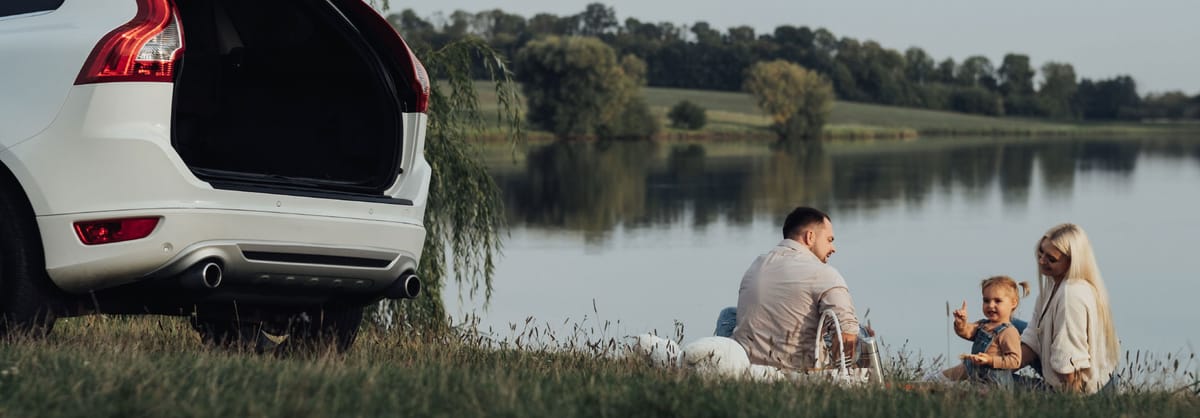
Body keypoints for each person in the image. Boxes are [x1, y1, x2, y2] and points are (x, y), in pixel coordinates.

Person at [728, 206, 860, 370]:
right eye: (829, 240)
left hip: (749, 369)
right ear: (810, 237)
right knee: (860, 331)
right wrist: (840, 373)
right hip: (800, 372)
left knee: (728, 315)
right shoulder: (824, 274)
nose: (833, 248)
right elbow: (847, 332)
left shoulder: (756, 266)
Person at [1019, 223, 1119, 393]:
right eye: (1041, 252)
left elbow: (1068, 359)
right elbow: (1033, 337)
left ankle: (984, 378)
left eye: (1051, 259)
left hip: (1082, 391)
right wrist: (1000, 363)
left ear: (1071, 262)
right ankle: (986, 372)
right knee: (999, 327)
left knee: (985, 375)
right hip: (1066, 373)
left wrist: (1072, 404)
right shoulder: (1053, 283)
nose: (1041, 261)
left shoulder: (1071, 295)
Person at [926, 276, 1031, 386]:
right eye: (986, 300)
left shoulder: (1009, 332)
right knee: (967, 365)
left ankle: (937, 382)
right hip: (977, 374)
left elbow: (1014, 361)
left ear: (1013, 303)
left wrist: (990, 360)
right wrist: (961, 323)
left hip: (995, 381)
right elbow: (967, 332)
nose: (990, 305)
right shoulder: (983, 325)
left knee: (969, 370)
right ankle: (934, 380)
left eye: (997, 301)